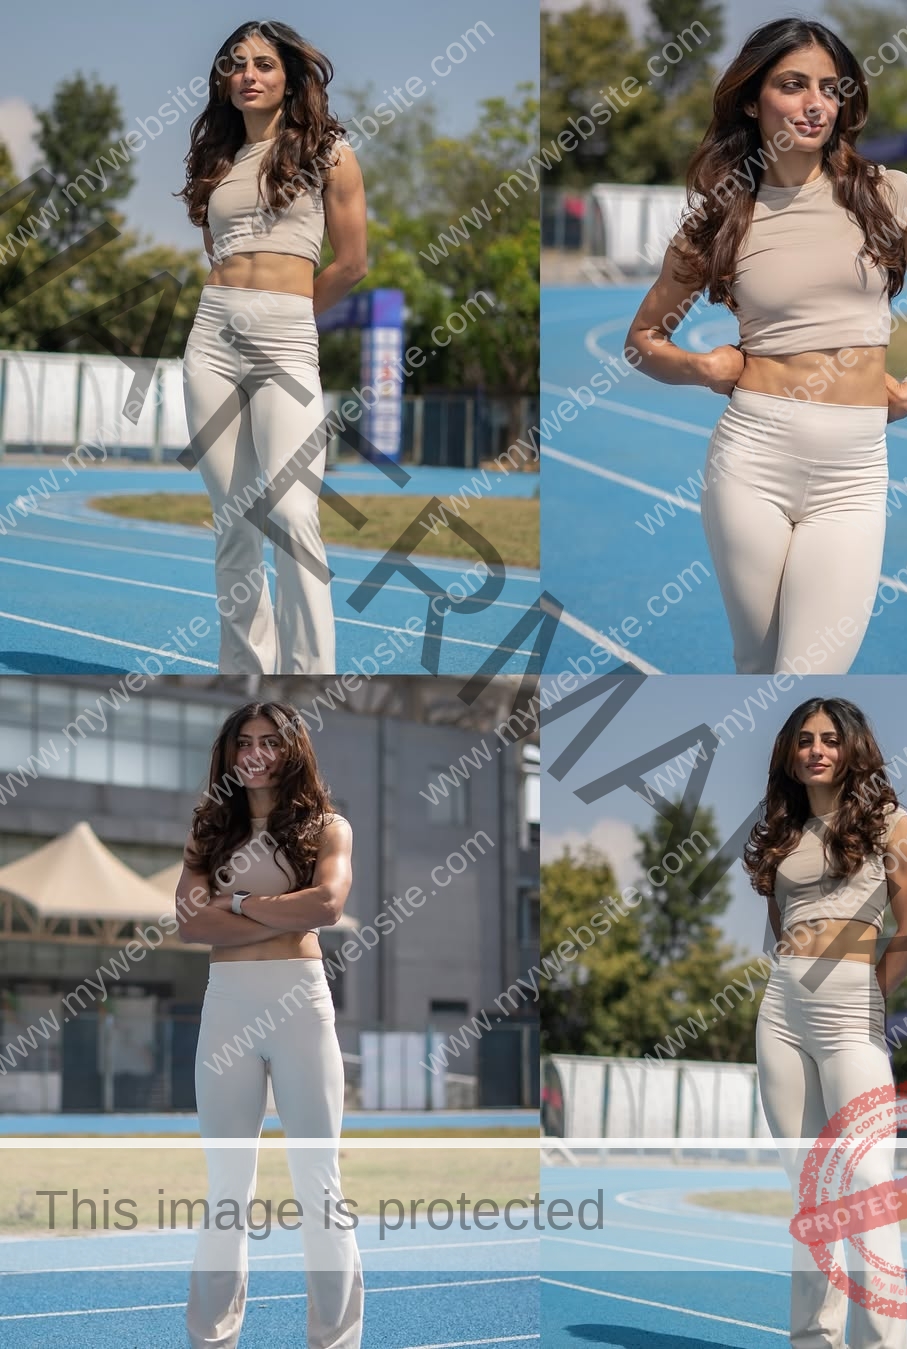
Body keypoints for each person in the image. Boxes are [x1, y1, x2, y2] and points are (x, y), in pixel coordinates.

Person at [625, 18, 907, 675]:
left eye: (829, 88)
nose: (816, 104)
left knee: (810, 672)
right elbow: (642, 340)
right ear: (752, 101)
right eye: (792, 85)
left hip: (854, 471)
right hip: (752, 459)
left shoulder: (889, 194)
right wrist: (703, 366)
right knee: (757, 668)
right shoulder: (719, 218)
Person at [177, 20, 367, 675]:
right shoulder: (218, 161)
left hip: (286, 338)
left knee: (291, 513)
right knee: (233, 520)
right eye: (236, 65)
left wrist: (289, 317)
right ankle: (245, 670)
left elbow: (352, 264)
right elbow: (220, 256)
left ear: (290, 76)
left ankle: (310, 673)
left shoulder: (330, 153)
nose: (248, 75)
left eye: (263, 63)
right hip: (212, 339)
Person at [177, 699, 363, 1348]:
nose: (255, 753)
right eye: (244, 742)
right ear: (229, 754)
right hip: (227, 1003)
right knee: (226, 1186)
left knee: (319, 1182)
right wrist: (283, 911)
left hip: (299, 1003)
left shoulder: (328, 827)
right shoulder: (208, 830)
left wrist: (238, 903)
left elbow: (328, 904)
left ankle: (335, 1340)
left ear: (292, 750)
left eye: (270, 741)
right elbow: (190, 922)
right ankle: (211, 1338)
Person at [744, 696, 907, 1348]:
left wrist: (870, 994)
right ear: (789, 754)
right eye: (804, 740)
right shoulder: (782, 834)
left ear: (853, 747)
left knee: (870, 1181)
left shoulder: (892, 824)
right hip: (781, 1014)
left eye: (828, 738)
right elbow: (781, 931)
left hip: (853, 1011)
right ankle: (813, 1341)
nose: (816, 750)